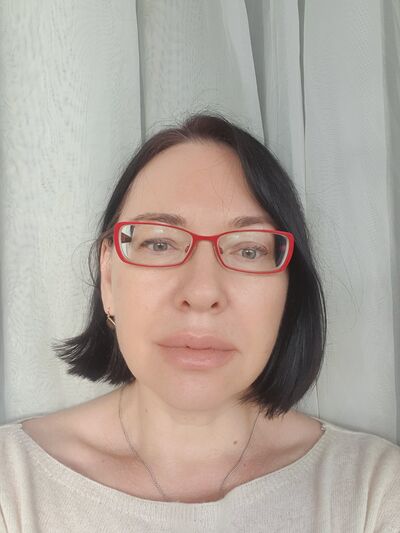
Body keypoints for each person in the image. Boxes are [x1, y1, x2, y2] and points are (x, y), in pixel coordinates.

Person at [0, 112, 399, 532]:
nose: (203, 292)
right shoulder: (13, 487)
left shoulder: (372, 493)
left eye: (248, 250)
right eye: (159, 243)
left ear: (288, 290)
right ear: (110, 278)